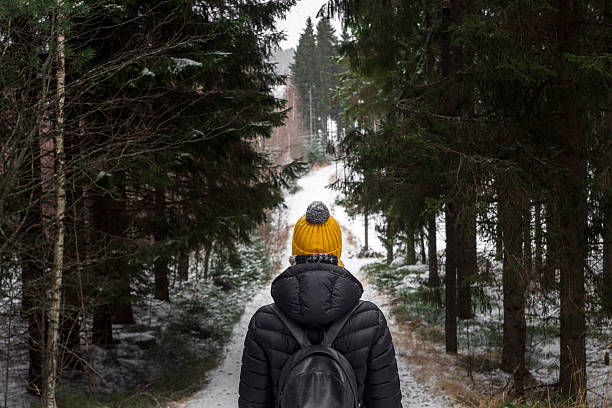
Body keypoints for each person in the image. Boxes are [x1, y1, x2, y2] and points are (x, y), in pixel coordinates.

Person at [238, 201, 402, 408]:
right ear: (337, 251)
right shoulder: (371, 320)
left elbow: (252, 404)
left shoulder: (264, 322)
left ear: (295, 251)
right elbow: (386, 403)